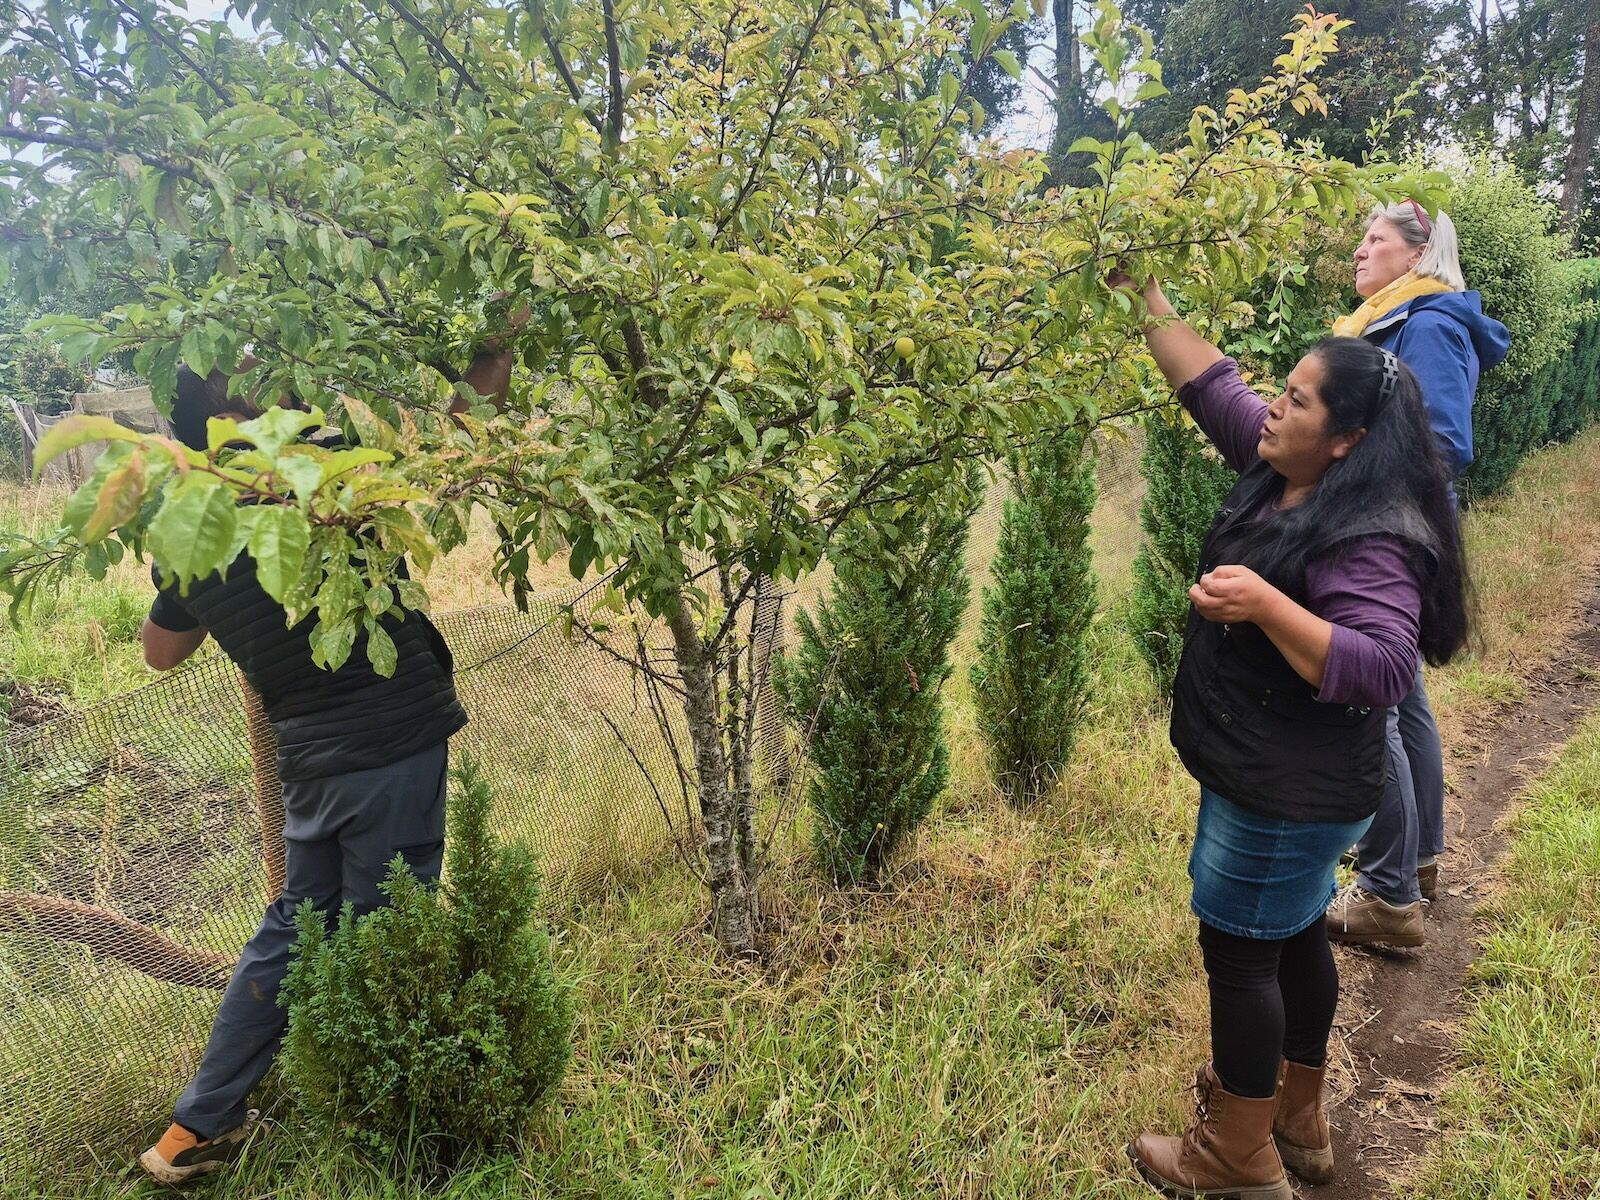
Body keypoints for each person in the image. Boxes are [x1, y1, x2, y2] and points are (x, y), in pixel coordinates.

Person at [1113, 275, 1471, 1198]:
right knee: (1298, 932)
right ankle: (1298, 1120)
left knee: (1238, 952)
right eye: (1284, 387)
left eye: (1298, 400)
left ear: (1346, 438)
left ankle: (1236, 1158)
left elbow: (1388, 665)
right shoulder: (1290, 465)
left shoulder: (1367, 535)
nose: (1272, 407)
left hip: (1285, 792)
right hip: (1284, 777)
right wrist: (1144, 292)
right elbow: (1211, 385)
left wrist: (1267, 603)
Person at [137, 345, 513, 1184]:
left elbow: (160, 652)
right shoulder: (320, 475)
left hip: (311, 759)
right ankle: (404, 1129)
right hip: (389, 743)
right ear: (237, 414)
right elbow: (465, 430)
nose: (287, 391)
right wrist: (502, 336)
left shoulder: (188, 526)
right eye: (262, 383)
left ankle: (194, 1126)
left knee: (296, 928)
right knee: (390, 927)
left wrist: (199, 588)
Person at [1324, 201, 1508, 948]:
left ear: (1418, 253)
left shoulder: (1427, 322)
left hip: (1389, 527)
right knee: (1405, 697)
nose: (1360, 254)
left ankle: (1388, 895)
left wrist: (1348, 481)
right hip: (1399, 522)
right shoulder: (1399, 319)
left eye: (1376, 241)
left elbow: (1442, 442)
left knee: (1380, 705)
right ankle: (1417, 861)